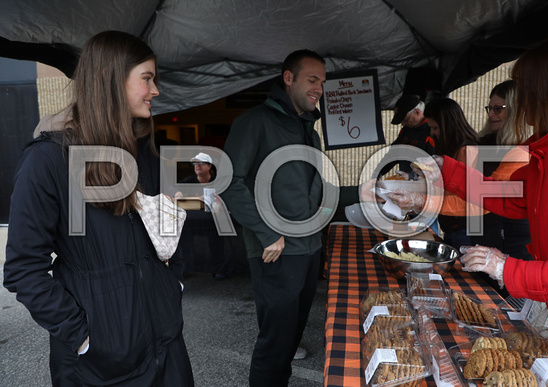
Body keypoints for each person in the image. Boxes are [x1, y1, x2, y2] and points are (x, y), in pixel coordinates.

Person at [3, 31, 194, 386]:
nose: (156, 91)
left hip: (166, 350)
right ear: (111, 80)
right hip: (96, 366)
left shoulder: (146, 154)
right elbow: (22, 269)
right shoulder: (47, 160)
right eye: (147, 79)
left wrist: (173, 285)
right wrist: (82, 337)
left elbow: (162, 238)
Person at [420, 36, 548, 351]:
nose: (519, 102)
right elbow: (507, 195)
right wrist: (445, 169)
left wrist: (508, 268)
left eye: (525, 90)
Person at [221, 49, 357, 386]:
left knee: (290, 342)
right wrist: (267, 233)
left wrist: (364, 192)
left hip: (309, 250)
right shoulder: (254, 122)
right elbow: (228, 181)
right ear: (288, 78)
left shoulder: (310, 129)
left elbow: (318, 190)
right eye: (312, 80)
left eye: (322, 83)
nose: (319, 89)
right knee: (274, 346)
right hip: (277, 250)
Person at [388, 97, 481, 249]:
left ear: (448, 125)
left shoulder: (467, 150)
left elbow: (466, 199)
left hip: (465, 229)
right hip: (451, 226)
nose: (432, 133)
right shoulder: (451, 147)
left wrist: (421, 200)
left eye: (435, 128)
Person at [471, 80, 533, 262]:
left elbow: (485, 196)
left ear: (516, 110)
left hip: (511, 245)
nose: (491, 114)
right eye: (489, 108)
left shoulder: (521, 151)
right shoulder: (484, 143)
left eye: (498, 109)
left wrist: (428, 200)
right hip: (482, 237)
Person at [378, 94, 436, 177]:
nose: (403, 124)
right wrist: (379, 172)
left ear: (417, 112)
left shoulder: (432, 131)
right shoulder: (407, 129)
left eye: (406, 120)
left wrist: (413, 177)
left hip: (425, 181)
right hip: (407, 180)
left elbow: (435, 162)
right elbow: (394, 152)